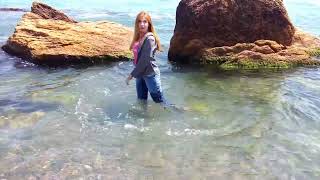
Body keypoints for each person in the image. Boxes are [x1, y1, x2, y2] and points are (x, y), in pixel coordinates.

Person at [126, 11, 166, 105]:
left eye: (145, 22)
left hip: (150, 74)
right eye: (139, 21)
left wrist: (131, 75)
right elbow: (137, 56)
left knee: (160, 101)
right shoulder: (138, 37)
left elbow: (145, 60)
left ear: (149, 24)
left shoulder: (150, 39)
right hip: (140, 74)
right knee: (141, 100)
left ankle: (180, 111)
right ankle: (142, 119)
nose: (142, 24)